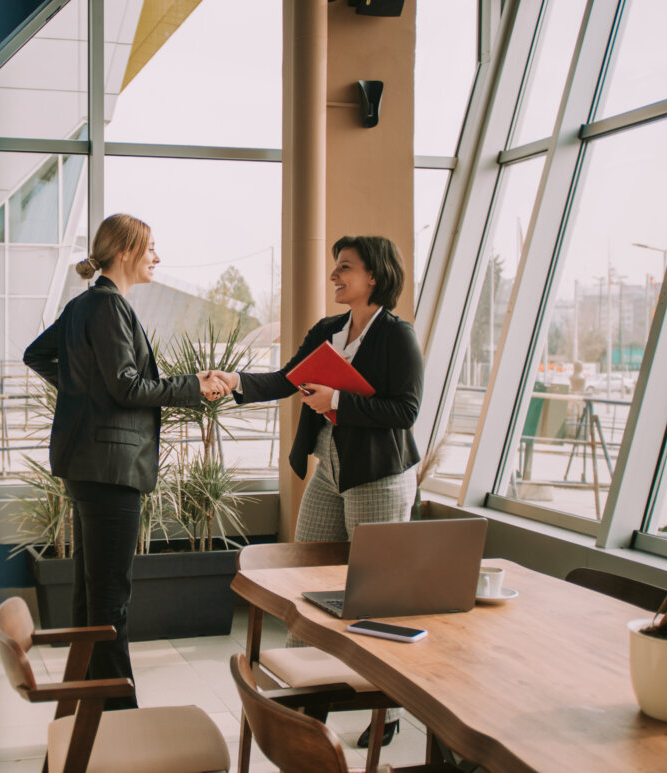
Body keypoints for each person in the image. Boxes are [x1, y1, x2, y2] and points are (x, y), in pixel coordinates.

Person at [214, 234, 423, 747]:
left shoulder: (397, 336)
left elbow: (406, 411)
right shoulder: (330, 330)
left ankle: (387, 709)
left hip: (377, 473)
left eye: (344, 268)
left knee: (375, 596)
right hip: (330, 464)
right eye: (335, 268)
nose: (334, 276)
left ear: (373, 276)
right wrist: (235, 380)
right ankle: (307, 699)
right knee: (304, 579)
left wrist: (340, 400)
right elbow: (288, 379)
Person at [23, 213, 229, 710]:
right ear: (127, 252)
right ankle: (120, 719)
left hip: (87, 466)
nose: (157, 258)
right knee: (111, 599)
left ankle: (84, 708)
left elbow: (38, 354)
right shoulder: (109, 308)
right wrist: (192, 385)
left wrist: (84, 394)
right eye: (151, 248)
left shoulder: (83, 305)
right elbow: (128, 386)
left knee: (91, 596)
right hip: (111, 471)